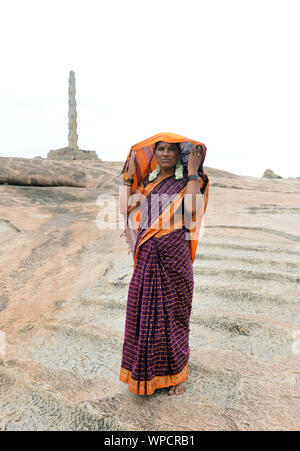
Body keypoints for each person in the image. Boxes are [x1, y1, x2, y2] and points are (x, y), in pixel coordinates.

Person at [119, 132, 209, 396]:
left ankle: (178, 374)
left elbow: (192, 210)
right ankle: (147, 373)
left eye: (171, 149)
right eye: (161, 149)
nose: (166, 154)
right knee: (142, 312)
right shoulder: (148, 182)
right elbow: (125, 208)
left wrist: (192, 170)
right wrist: (127, 177)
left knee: (175, 314)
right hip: (147, 256)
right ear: (155, 154)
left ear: (179, 154)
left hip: (174, 257)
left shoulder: (190, 181)